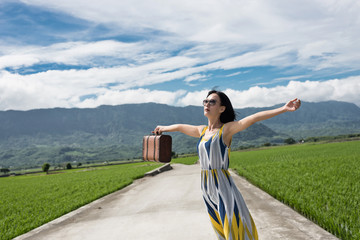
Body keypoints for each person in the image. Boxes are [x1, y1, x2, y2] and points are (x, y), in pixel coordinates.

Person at [153, 90, 301, 240]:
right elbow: (180, 127)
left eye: (212, 102)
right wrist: (163, 128)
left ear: (222, 108)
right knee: (220, 231)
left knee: (233, 229)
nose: (207, 104)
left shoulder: (226, 130)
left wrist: (284, 108)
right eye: (205, 101)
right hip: (206, 187)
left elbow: (253, 118)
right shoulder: (202, 131)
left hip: (222, 186)